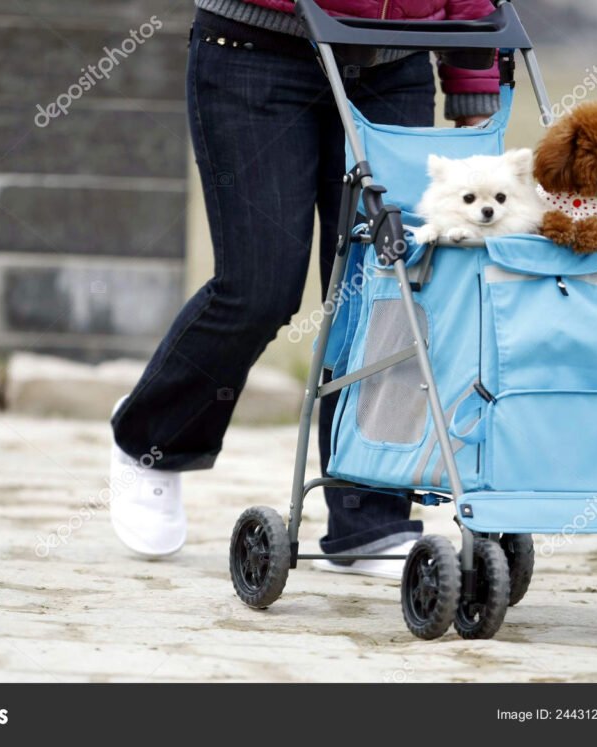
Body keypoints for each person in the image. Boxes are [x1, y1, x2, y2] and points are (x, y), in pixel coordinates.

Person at [109, 0, 500, 577]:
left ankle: (369, 510)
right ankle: (151, 437)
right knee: (259, 287)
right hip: (256, 52)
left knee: (384, 295)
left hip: (394, 64)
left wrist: (472, 80)